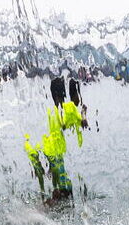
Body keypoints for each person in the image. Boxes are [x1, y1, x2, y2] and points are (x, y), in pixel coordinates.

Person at [24, 76, 88, 204]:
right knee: (65, 185)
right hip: (54, 151)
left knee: (52, 182)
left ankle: (47, 203)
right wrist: (83, 113)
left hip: (39, 150)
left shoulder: (48, 110)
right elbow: (83, 124)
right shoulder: (67, 107)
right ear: (64, 93)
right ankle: (55, 204)